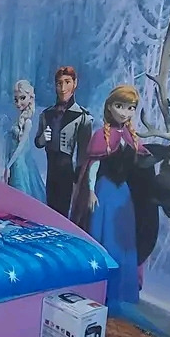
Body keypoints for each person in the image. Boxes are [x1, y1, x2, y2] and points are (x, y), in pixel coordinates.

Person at [69, 84, 159, 303]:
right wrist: (91, 191)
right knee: (102, 236)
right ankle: (98, 289)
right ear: (110, 107)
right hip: (104, 192)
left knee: (122, 239)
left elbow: (141, 165)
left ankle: (121, 291)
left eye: (130, 108)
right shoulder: (101, 136)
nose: (125, 112)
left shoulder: (132, 138)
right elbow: (93, 167)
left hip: (123, 196)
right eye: (120, 106)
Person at [34, 66, 93, 217]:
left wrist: (79, 178)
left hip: (68, 170)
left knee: (63, 210)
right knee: (50, 206)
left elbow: (83, 152)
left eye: (67, 82)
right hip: (51, 168)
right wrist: (43, 138)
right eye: (59, 83)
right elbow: (38, 142)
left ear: (75, 83)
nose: (63, 88)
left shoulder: (82, 117)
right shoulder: (47, 114)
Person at [4, 80, 46, 201]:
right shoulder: (18, 120)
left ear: (30, 98)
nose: (18, 103)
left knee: (19, 193)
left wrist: (8, 165)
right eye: (16, 99)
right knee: (13, 195)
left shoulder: (28, 122)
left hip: (18, 164)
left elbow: (21, 146)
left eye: (22, 98)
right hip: (14, 162)